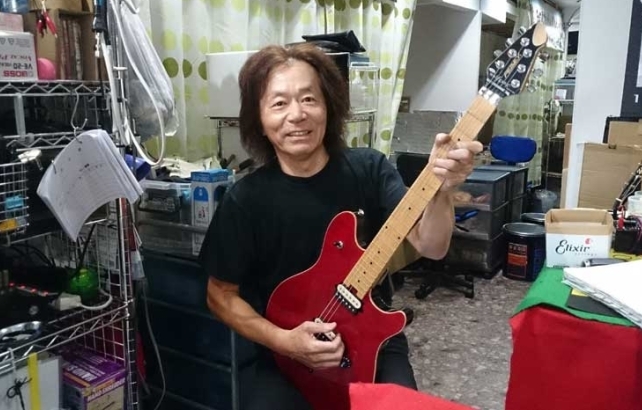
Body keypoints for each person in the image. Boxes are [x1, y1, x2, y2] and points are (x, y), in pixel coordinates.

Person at [198, 42, 483, 409]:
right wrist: (286, 342)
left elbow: (433, 246)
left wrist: (442, 191)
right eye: (279, 103)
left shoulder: (369, 169)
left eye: (309, 99)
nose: (297, 114)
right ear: (260, 121)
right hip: (284, 352)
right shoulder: (245, 199)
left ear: (329, 108)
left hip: (373, 334)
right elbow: (219, 295)